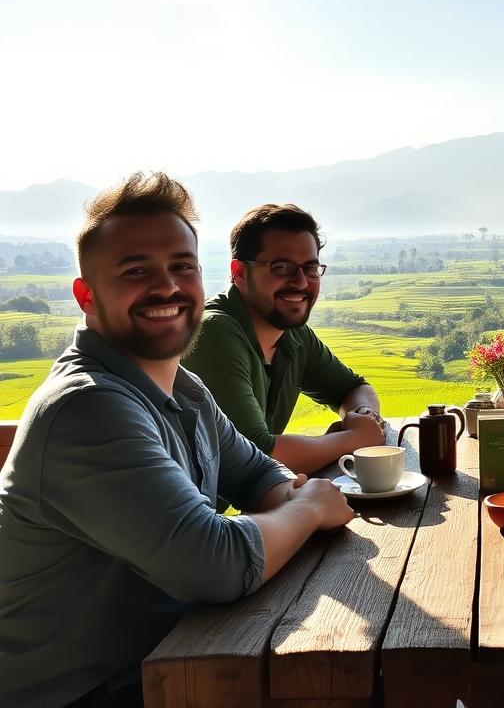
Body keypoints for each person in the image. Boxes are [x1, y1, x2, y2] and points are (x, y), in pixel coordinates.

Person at [0, 174, 354, 708]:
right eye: (136, 270)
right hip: (82, 690)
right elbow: (216, 564)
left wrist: (284, 493)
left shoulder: (181, 386)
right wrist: (307, 509)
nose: (166, 287)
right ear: (86, 295)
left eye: (181, 267)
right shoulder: (88, 408)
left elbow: (257, 472)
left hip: (167, 658)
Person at [184, 204, 385, 475]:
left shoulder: (293, 335)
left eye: (310, 268)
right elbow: (256, 457)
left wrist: (364, 416)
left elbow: (353, 388)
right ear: (240, 273)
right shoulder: (214, 334)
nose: (301, 282)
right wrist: (355, 439)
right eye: (281, 267)